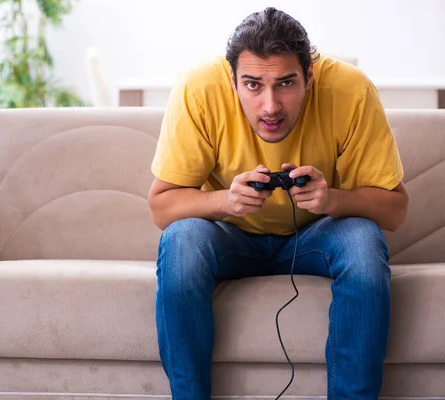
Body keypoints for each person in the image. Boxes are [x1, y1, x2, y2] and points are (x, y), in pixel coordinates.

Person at [148, 6, 408, 400]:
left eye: (286, 83)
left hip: (317, 236)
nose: (270, 106)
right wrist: (226, 200)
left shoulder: (351, 90)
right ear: (231, 79)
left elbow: (396, 210)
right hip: (230, 237)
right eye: (252, 85)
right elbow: (161, 207)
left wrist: (330, 198)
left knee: (363, 241)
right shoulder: (199, 89)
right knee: (181, 239)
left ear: (310, 76)